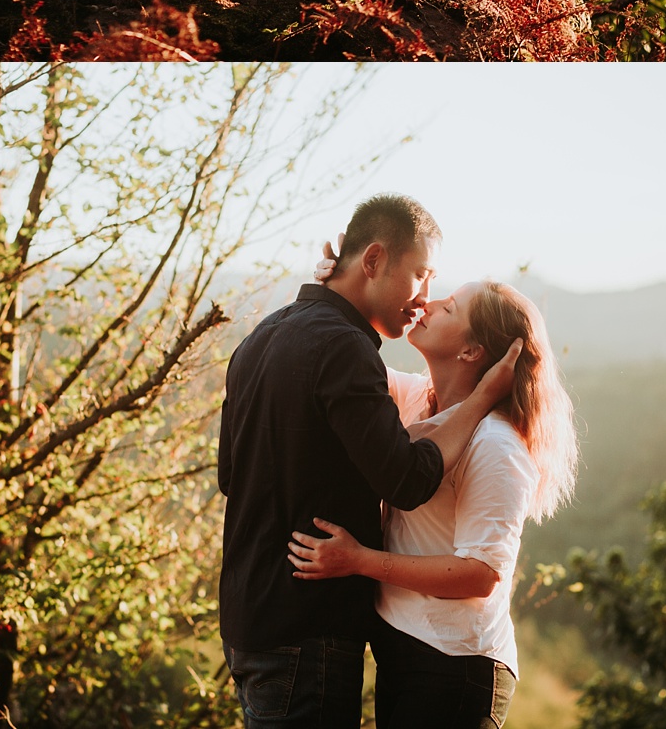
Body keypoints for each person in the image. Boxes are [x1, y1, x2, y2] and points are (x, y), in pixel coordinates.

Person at [218, 193, 523, 729]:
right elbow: (406, 479)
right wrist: (480, 400)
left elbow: (229, 475)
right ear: (375, 261)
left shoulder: (263, 336)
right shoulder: (344, 348)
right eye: (421, 276)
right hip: (306, 626)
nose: (424, 299)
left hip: (251, 621)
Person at [289, 272, 577, 729]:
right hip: (405, 650)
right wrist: (338, 283)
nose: (429, 302)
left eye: (449, 307)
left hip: (456, 667)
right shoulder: (415, 400)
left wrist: (360, 560)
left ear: (470, 351)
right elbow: (333, 357)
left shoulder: (495, 446)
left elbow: (480, 574)